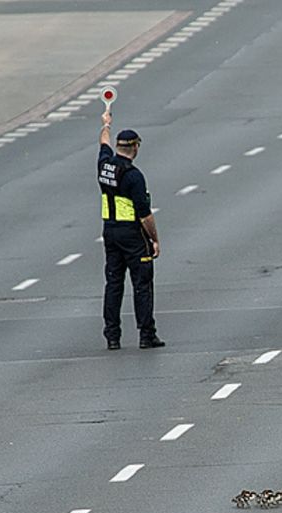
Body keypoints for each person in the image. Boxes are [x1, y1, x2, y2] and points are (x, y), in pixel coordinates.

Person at [98, 110, 163, 350]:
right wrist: (154, 239)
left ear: (118, 147)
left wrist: (106, 124)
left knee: (114, 284)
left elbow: (103, 141)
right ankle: (147, 334)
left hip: (110, 232)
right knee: (142, 284)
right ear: (135, 147)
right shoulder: (134, 176)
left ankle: (112, 336)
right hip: (133, 235)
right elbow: (145, 215)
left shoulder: (104, 165)